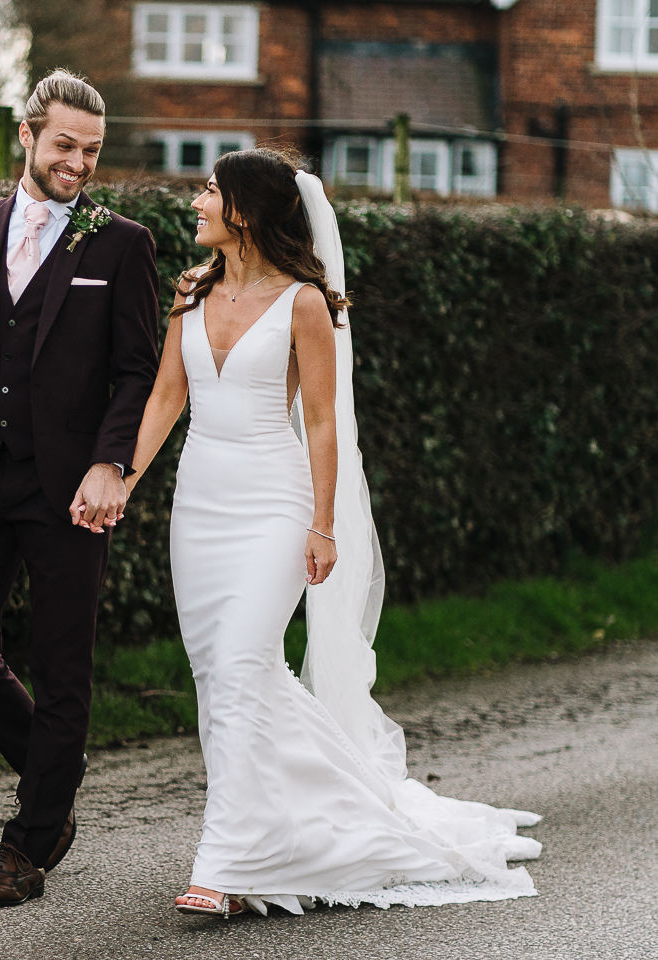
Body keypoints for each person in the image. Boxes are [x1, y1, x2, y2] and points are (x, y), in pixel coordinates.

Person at [123, 146, 542, 917]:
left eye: (210, 192)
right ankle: (315, 827)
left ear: (245, 211)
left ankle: (226, 864)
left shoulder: (304, 304)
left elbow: (321, 423)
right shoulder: (190, 291)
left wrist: (323, 525)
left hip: (274, 505)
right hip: (201, 507)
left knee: (243, 663)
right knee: (225, 678)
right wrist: (122, 481)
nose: (197, 202)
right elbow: (164, 398)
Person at [0, 69, 161, 906]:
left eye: (91, 151)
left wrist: (110, 463)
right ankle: (55, 772)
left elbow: (137, 372)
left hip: (70, 489)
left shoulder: (121, 243)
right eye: (65, 145)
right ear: (26, 137)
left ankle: (27, 845)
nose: (78, 164)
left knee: (63, 667)